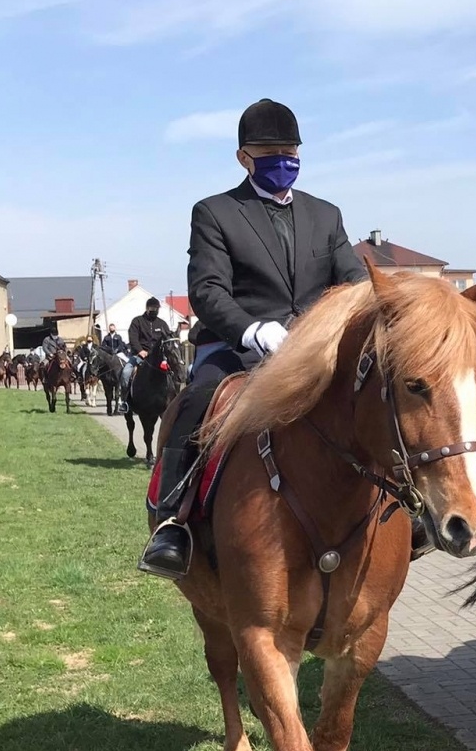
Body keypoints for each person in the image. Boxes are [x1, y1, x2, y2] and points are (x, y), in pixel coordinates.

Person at [138, 97, 367, 578]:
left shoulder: (326, 216)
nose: (285, 162)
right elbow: (207, 289)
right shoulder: (216, 212)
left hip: (312, 347)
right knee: (197, 401)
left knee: (372, 399)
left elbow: (352, 281)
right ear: (245, 158)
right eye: (272, 153)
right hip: (238, 346)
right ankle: (171, 522)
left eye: (292, 152)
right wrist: (251, 328)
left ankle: (405, 513)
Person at [122, 298, 173, 406]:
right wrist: (140, 350)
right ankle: (125, 401)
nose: (154, 310)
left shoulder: (162, 324)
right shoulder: (137, 321)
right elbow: (133, 338)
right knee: (126, 373)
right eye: (152, 308)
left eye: (156, 308)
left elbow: (168, 339)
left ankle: (174, 402)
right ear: (147, 308)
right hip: (139, 356)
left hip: (159, 358)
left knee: (173, 373)